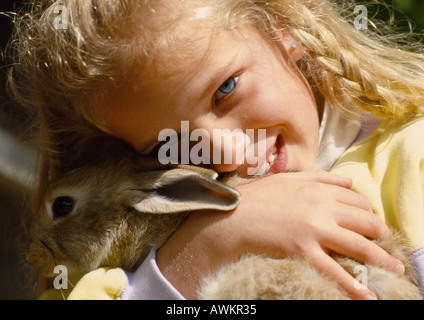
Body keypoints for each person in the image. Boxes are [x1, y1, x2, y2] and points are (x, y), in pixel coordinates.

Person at [8, 0, 424, 300]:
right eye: (165, 144)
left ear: (282, 28)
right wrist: (196, 257)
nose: (227, 154)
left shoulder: (411, 158)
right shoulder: (127, 265)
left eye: (226, 89)